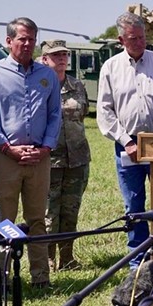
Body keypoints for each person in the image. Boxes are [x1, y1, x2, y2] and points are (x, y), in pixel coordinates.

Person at [0, 17, 61, 288]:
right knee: (5, 220)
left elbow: (55, 115)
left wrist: (45, 147)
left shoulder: (46, 76)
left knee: (37, 219)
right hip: (6, 158)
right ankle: (3, 278)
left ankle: (40, 278)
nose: (27, 44)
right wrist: (7, 148)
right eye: (22, 38)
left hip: (39, 159)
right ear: (8, 41)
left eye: (31, 39)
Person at [97, 12, 153, 268]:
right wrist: (126, 141)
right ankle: (138, 260)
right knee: (134, 203)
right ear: (121, 39)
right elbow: (105, 111)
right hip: (127, 145)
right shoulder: (110, 68)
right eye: (133, 39)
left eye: (142, 37)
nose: (139, 43)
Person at [40, 40, 90, 271]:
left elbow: (83, 115)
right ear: (44, 59)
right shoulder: (38, 86)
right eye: (55, 55)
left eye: (64, 55)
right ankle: (48, 258)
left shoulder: (77, 85)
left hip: (77, 157)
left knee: (71, 209)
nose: (61, 59)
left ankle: (67, 258)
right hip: (50, 159)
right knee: (50, 211)